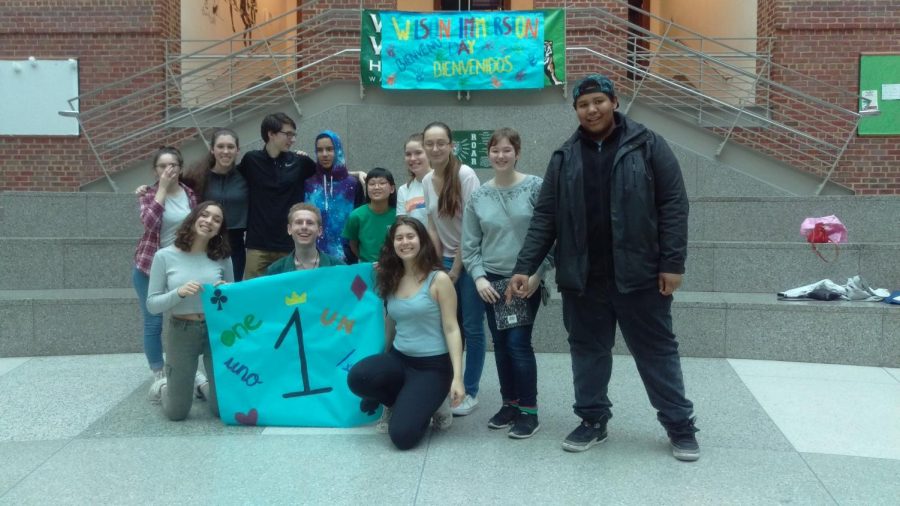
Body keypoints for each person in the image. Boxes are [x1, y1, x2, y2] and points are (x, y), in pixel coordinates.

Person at [509, 74, 699, 461]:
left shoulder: (647, 145)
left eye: (598, 101)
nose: (591, 109)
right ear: (576, 110)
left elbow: (674, 206)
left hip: (640, 275)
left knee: (656, 352)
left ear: (614, 101)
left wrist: (672, 263)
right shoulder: (564, 156)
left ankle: (679, 425)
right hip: (583, 278)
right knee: (587, 353)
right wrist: (526, 266)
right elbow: (546, 217)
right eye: (583, 104)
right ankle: (593, 419)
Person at [461, 127, 551, 439]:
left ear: (517, 152)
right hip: (492, 283)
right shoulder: (478, 196)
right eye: (495, 150)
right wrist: (479, 278)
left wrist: (538, 275)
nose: (501, 155)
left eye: (507, 150)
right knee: (499, 344)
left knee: (517, 344)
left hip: (525, 280)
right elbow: (470, 245)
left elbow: (551, 236)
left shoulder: (536, 187)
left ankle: (529, 410)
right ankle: (509, 404)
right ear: (488, 155)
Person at [347, 217, 464, 450]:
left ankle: (436, 404)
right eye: (399, 238)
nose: (405, 242)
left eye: (410, 236)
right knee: (358, 377)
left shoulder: (438, 279)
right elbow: (391, 322)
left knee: (402, 437)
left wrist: (457, 379)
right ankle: (398, 401)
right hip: (400, 359)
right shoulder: (391, 276)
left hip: (433, 366)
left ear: (422, 240)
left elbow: (452, 329)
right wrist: (382, 360)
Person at [146, 201, 234, 420]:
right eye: (205, 215)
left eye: (217, 219)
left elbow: (234, 299)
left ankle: (200, 384)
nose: (209, 222)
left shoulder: (223, 257)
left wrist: (228, 291)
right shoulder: (164, 256)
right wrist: (179, 293)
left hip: (215, 330)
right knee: (177, 413)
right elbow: (152, 304)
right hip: (182, 329)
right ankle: (165, 386)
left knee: (220, 410)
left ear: (220, 229)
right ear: (194, 218)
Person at [421, 121, 485, 416]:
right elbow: (433, 224)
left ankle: (470, 391)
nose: (435, 148)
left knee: (471, 328)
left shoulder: (465, 175)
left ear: (451, 145)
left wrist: (457, 270)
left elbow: (471, 229)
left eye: (441, 143)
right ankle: (450, 384)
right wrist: (435, 265)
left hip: (471, 260)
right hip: (442, 261)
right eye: (429, 143)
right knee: (447, 326)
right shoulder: (426, 180)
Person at [132, 146, 199, 399]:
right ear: (155, 170)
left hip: (180, 266)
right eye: (162, 166)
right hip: (149, 266)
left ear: (180, 168)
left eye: (173, 165)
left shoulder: (190, 194)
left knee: (184, 317)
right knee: (153, 320)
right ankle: (158, 374)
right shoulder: (148, 194)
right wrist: (160, 188)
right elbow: (149, 223)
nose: (168, 170)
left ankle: (186, 369)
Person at [237, 113, 316, 279]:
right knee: (253, 294)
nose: (292, 139)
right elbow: (228, 177)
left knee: (290, 296)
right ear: (271, 134)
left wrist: (357, 174)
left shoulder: (300, 162)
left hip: (289, 244)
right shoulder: (251, 160)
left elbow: (328, 176)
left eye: (294, 135)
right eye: (288, 134)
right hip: (257, 245)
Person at [183, 128, 248, 281]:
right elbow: (172, 185)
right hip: (204, 241)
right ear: (212, 149)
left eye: (230, 147)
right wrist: (147, 189)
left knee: (232, 290)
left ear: (238, 150)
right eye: (220, 146)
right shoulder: (197, 177)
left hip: (235, 244)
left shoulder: (246, 176)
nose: (226, 151)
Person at [304, 130, 365, 263]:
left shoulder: (353, 184)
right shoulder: (308, 184)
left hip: (347, 257)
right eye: (319, 150)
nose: (324, 154)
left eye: (330, 149)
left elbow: (360, 221)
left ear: (338, 150)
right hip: (313, 257)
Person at [266, 203, 346, 275]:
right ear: (289, 229)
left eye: (310, 223)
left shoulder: (339, 268)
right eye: (299, 222)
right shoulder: (275, 271)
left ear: (319, 231)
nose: (304, 227)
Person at [343, 167, 397, 263]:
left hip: (394, 266)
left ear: (392, 188)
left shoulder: (398, 215)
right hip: (367, 268)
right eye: (372, 184)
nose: (376, 187)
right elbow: (353, 244)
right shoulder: (356, 216)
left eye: (382, 183)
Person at [396, 133, 432, 225]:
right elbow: (403, 226)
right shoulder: (404, 190)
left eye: (418, 153)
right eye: (408, 154)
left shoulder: (445, 182)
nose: (412, 158)